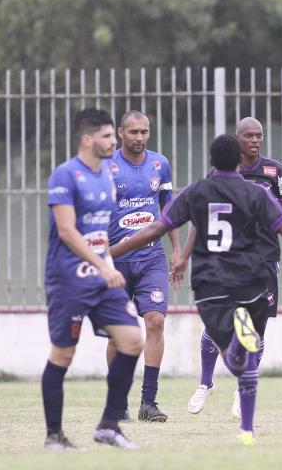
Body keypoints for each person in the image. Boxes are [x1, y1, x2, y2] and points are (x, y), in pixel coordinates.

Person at [110, 134, 282, 445]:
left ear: (212, 161)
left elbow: (155, 228)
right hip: (251, 283)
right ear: (238, 160)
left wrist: (110, 253)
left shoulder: (198, 192)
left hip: (211, 288)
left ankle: (232, 358)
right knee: (250, 349)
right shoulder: (256, 193)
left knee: (232, 355)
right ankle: (246, 427)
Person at [179, 117, 282, 418]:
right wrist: (184, 255)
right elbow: (203, 217)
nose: (254, 140)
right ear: (237, 139)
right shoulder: (220, 174)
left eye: (259, 135)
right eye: (248, 135)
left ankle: (243, 388)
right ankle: (205, 383)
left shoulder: (275, 172)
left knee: (253, 329)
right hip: (225, 259)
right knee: (216, 324)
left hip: (263, 259)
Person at [43, 108, 144, 450]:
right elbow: (68, 232)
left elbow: (99, 233)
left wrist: (106, 264)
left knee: (132, 340)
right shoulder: (65, 175)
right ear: (87, 140)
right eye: (106, 137)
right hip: (69, 280)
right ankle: (54, 436)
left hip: (102, 280)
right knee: (63, 355)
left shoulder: (106, 176)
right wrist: (104, 266)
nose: (112, 143)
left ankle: (109, 425)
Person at [105, 110, 181, 422]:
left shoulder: (160, 164)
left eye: (144, 132)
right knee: (119, 334)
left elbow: (169, 209)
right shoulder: (106, 166)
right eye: (133, 132)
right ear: (121, 133)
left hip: (152, 258)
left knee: (156, 322)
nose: (139, 138)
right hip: (115, 260)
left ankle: (148, 403)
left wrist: (177, 249)